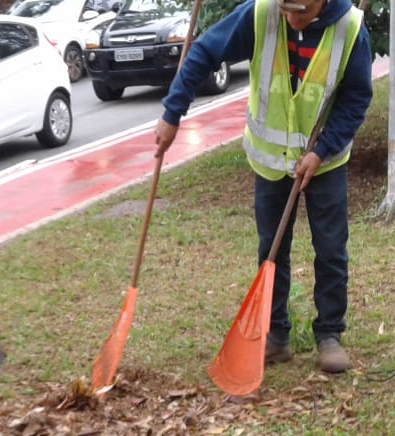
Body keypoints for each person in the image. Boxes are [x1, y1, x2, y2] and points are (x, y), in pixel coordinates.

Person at [155, 0, 373, 373]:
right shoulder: (261, 13)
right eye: (286, 10)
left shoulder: (351, 28)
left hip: (325, 162)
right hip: (270, 160)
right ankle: (275, 335)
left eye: (300, 14)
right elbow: (206, 51)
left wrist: (321, 151)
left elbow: (356, 98)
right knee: (271, 251)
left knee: (331, 249)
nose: (290, 20)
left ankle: (329, 335)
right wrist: (172, 112)